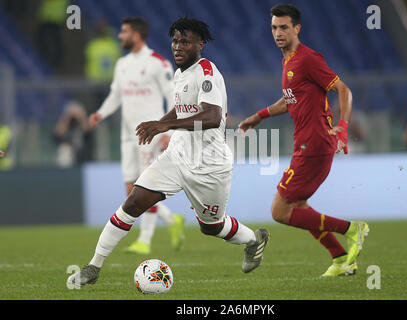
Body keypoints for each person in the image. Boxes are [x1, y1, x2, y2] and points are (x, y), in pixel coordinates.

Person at [68, 16, 270, 287]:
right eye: (175, 41)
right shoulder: (180, 73)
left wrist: (165, 125)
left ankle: (254, 240)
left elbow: (211, 116)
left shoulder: (207, 72)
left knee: (211, 226)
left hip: (208, 165)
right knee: (132, 202)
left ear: (200, 44)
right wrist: (163, 124)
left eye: (185, 42)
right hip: (177, 156)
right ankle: (93, 267)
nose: (177, 46)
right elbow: (182, 107)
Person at [238, 4, 369, 277]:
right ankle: (341, 258)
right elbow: (289, 100)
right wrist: (259, 115)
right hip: (306, 144)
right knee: (298, 207)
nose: (278, 32)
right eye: (274, 27)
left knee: (279, 211)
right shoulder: (288, 61)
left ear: (297, 28)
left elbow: (344, 90)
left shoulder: (308, 59)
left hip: (316, 145)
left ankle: (352, 229)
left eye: (284, 27)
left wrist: (343, 126)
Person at [88, 17, 184, 255]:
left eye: (124, 32)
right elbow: (115, 95)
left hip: (149, 133)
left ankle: (145, 240)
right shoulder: (121, 64)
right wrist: (100, 114)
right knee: (131, 191)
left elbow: (173, 98)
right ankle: (172, 221)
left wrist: (167, 130)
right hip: (126, 135)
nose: (120, 36)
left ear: (137, 35)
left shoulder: (158, 63)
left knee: (145, 185)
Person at [53, 101, 93, 167]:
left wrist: (80, 115)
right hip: (68, 159)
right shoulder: (66, 125)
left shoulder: (82, 124)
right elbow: (57, 135)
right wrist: (67, 116)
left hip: (84, 157)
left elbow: (88, 131)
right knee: (65, 149)